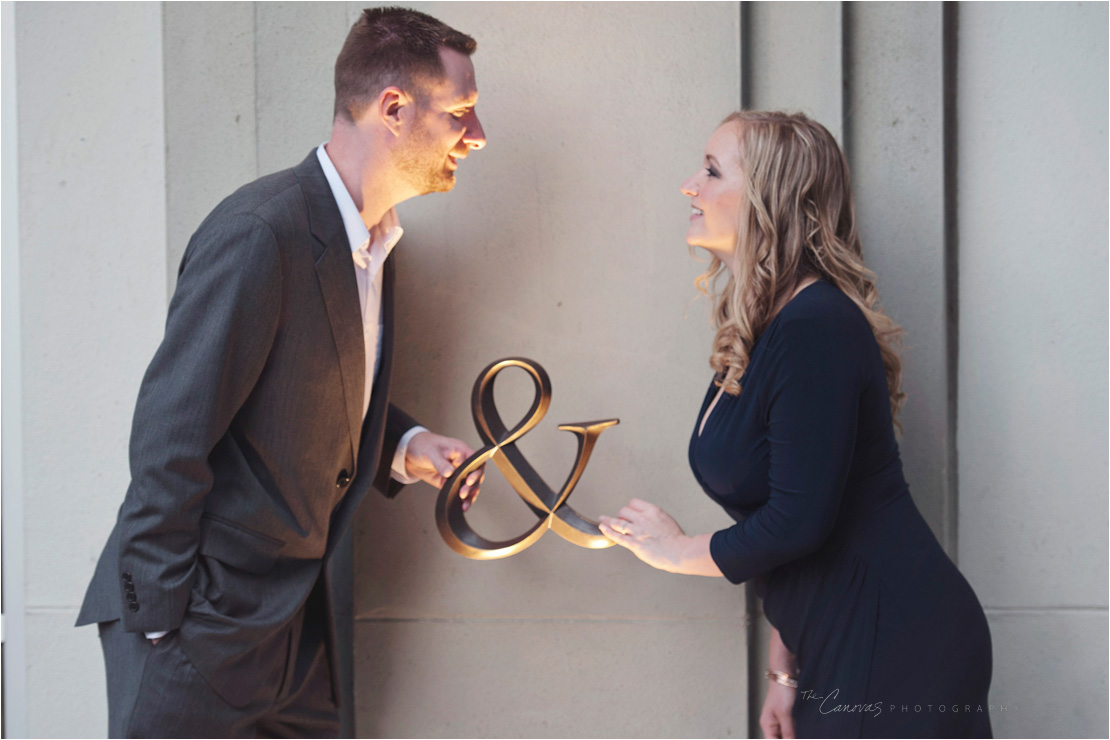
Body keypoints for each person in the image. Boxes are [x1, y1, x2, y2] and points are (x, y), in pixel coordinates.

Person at [76, 7, 487, 737]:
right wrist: (162, 624)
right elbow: (170, 436)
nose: (477, 135)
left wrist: (405, 445)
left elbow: (305, 383)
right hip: (199, 629)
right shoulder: (261, 231)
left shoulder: (377, 241)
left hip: (294, 636)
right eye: (461, 112)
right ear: (393, 108)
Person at [599, 111, 993, 738]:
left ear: (770, 198)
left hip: (897, 642)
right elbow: (791, 510)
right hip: (835, 645)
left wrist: (673, 552)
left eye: (710, 170)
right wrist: (786, 673)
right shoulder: (770, 324)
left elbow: (796, 524)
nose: (689, 186)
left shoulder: (816, 328)